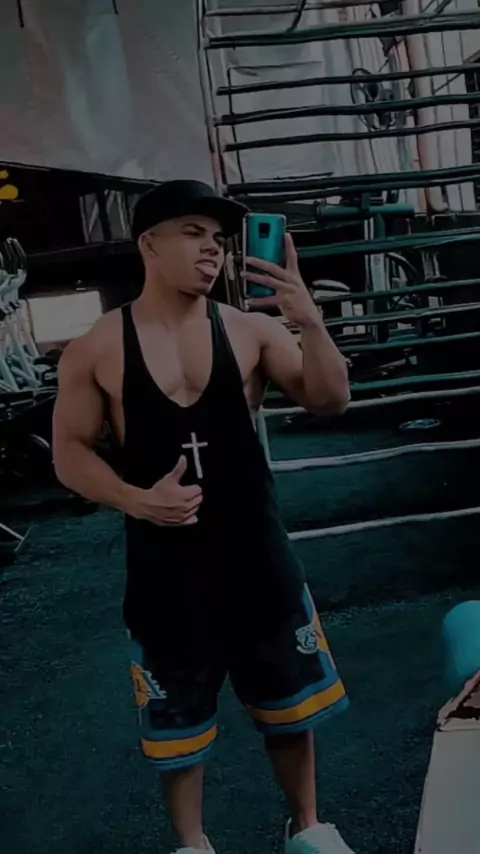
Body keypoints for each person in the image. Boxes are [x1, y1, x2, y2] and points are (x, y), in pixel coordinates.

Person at [52, 180, 354, 854]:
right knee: (178, 728)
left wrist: (310, 322)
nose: (212, 250)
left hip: (257, 555)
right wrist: (135, 499)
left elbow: (330, 400)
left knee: (290, 709)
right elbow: (69, 453)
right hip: (167, 571)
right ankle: (192, 843)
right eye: (193, 234)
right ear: (149, 244)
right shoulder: (97, 347)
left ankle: (307, 827)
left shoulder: (252, 330)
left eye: (218, 240)